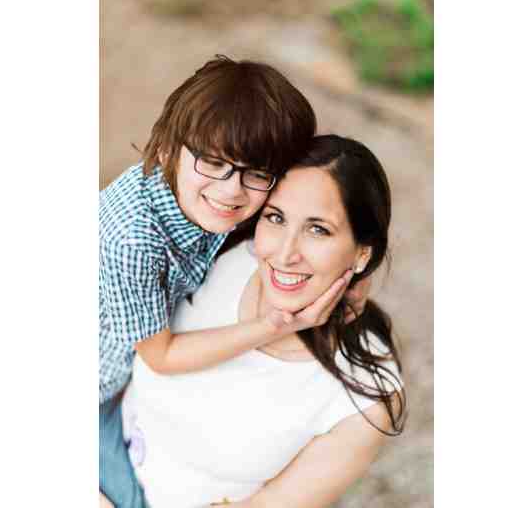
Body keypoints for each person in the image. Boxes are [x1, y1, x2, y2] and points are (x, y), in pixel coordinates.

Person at [100, 57, 369, 507]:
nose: (231, 190)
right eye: (212, 162)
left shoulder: (203, 197)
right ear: (165, 150)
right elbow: (161, 356)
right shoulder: (132, 240)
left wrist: (354, 267)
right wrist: (276, 324)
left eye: (256, 172)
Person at [121, 135, 407, 507]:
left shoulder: (366, 399)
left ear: (362, 254)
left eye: (318, 229)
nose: (285, 253)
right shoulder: (223, 254)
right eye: (276, 217)